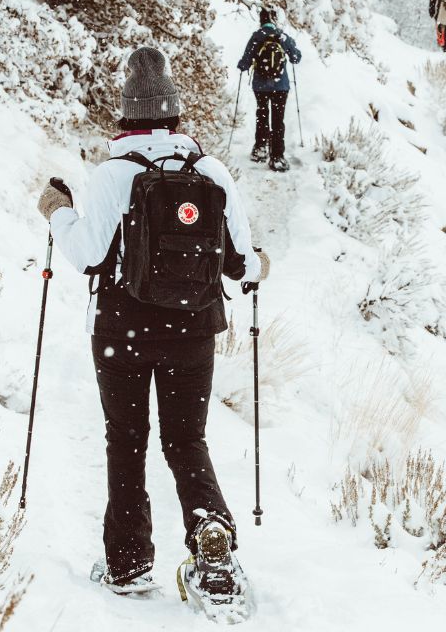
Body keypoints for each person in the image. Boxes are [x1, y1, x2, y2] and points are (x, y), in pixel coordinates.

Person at [36, 47, 269, 600]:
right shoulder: (210, 172)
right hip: (193, 331)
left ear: (125, 114)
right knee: (187, 439)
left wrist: (57, 211)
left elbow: (89, 257)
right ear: (174, 113)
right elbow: (241, 265)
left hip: (122, 331)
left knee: (127, 439)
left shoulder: (112, 174)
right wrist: (262, 266)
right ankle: (210, 533)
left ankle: (129, 562)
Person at [237, 8, 302, 172]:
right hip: (281, 86)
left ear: (261, 20)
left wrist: (242, 65)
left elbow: (246, 61)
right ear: (274, 20)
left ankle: (260, 148)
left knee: (262, 114)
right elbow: (296, 57)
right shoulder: (282, 36)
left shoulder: (257, 36)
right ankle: (277, 157)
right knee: (278, 120)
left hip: (261, 86)